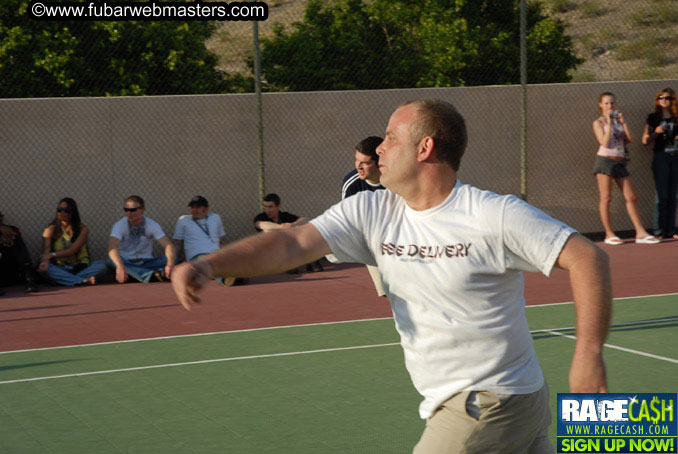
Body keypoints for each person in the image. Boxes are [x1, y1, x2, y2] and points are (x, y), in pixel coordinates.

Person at [172, 99, 612, 454]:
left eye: (389, 137)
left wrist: (588, 355)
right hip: (493, 400)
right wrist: (210, 264)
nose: (378, 149)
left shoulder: (492, 213)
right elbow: (292, 243)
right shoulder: (371, 210)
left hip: (491, 401)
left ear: (424, 148)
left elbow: (588, 258)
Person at [592, 92, 659, 245]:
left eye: (612, 103)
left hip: (620, 162)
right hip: (605, 161)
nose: (610, 106)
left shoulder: (618, 122)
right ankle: (609, 234)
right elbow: (604, 143)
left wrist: (623, 123)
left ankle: (640, 233)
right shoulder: (598, 122)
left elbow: (630, 139)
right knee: (606, 198)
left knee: (631, 197)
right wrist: (609, 122)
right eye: (607, 103)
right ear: (601, 105)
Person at [339, 136, 387, 296]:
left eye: (365, 162)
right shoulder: (352, 184)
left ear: (379, 162)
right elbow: (348, 219)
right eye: (356, 160)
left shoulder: (397, 179)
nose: (359, 166)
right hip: (372, 243)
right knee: (387, 292)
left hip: (402, 242)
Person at [37, 198, 107, 286]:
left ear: (73, 212)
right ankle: (81, 280)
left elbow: (72, 250)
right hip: (61, 267)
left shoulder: (83, 229)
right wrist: (45, 262)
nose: (62, 213)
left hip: (79, 267)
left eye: (66, 210)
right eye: (60, 210)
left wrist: (52, 254)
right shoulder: (50, 229)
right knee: (45, 268)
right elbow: (46, 252)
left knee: (102, 265)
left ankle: (65, 280)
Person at [173, 195, 241, 286]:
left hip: (216, 254)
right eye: (192, 207)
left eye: (198, 207)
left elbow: (221, 240)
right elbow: (178, 243)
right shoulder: (183, 220)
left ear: (206, 209)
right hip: (197, 257)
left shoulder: (215, 217)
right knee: (210, 263)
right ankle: (225, 279)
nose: (194, 210)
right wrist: (175, 262)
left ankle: (239, 275)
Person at [107, 195, 175, 283]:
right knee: (111, 261)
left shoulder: (152, 225)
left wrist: (170, 264)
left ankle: (135, 275)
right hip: (127, 262)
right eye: (126, 210)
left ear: (142, 209)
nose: (129, 213)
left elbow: (168, 245)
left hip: (147, 262)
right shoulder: (119, 225)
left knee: (173, 259)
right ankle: (152, 276)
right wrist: (120, 266)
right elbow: (112, 248)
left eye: (133, 210)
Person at [641, 88, 678, 240]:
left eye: (667, 98)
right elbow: (644, 141)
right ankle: (658, 230)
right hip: (661, 157)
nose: (664, 100)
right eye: (661, 97)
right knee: (661, 195)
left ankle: (670, 229)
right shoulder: (653, 117)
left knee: (673, 195)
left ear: (672, 100)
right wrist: (655, 132)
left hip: (675, 156)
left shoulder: (676, 118)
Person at [254, 193, 322, 273]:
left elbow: (305, 220)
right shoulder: (261, 217)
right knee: (270, 231)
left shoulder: (285, 216)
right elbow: (260, 224)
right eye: (265, 206)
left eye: (270, 207)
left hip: (290, 249)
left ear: (278, 206)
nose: (267, 210)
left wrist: (293, 225)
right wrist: (282, 227)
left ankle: (311, 262)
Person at [0, 210, 38, 293]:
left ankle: (29, 279)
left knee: (16, 239)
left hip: (11, 272)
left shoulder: (11, 230)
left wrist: (8, 239)